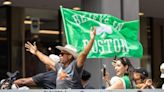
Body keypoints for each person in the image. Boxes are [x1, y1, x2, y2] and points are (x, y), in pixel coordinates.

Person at [24, 27, 96, 89]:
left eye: (62, 54)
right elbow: (47, 60)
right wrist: (36, 52)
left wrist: (92, 39)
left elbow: (83, 54)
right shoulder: (59, 66)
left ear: (70, 56)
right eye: (60, 53)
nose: (60, 55)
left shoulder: (75, 66)